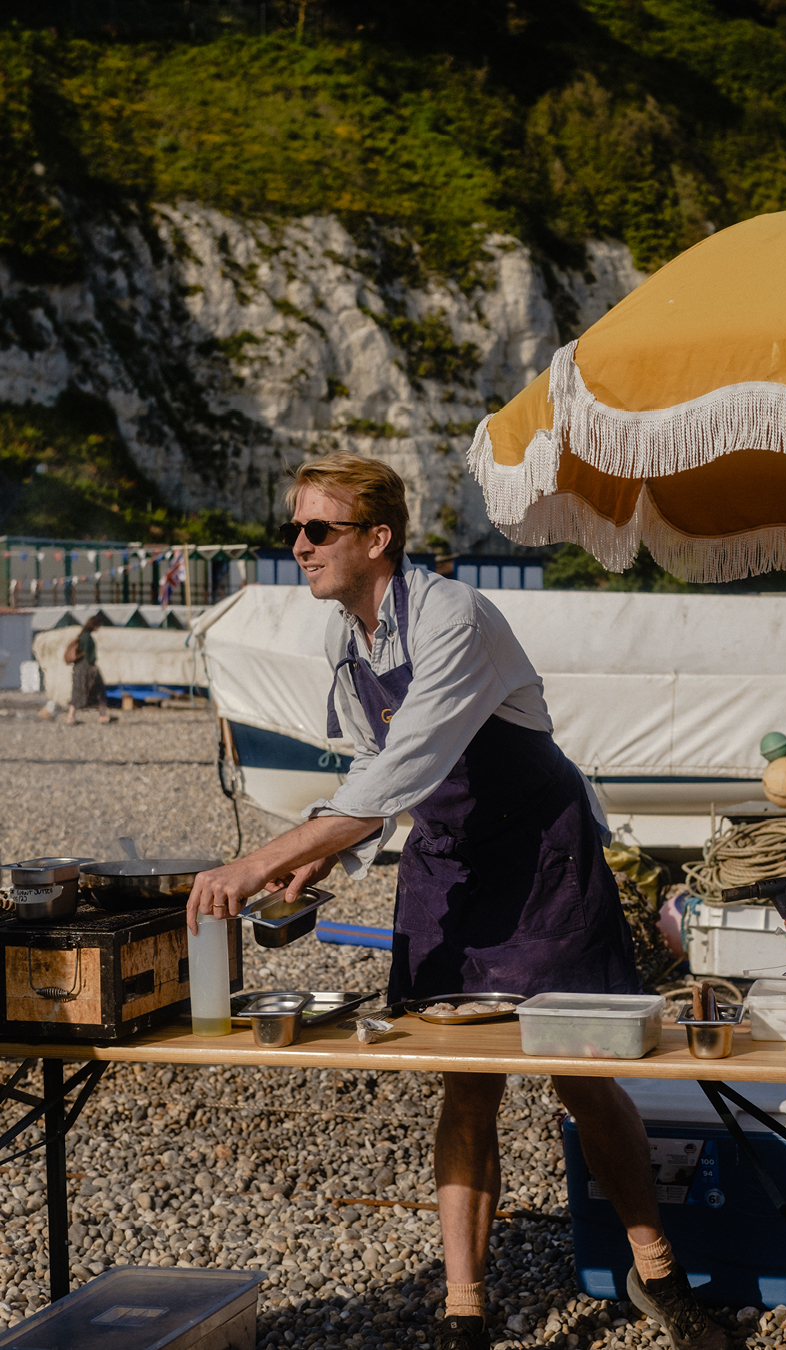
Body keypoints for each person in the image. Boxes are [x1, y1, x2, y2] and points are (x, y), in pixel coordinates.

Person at [186, 453, 728, 1350]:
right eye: (294, 528)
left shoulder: (454, 616)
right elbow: (376, 784)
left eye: (318, 529)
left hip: (542, 859)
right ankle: (465, 1312)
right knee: (466, 1085)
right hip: (448, 866)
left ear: (377, 537)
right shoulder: (342, 642)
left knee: (583, 1075)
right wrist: (321, 862)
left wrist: (264, 854)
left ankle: (658, 1273)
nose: (299, 545)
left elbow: (409, 762)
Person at [65, 615, 110, 725]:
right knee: (98, 690)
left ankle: (71, 716)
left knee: (78, 691)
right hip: (87, 669)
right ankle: (102, 715)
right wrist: (93, 664)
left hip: (79, 668)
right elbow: (90, 656)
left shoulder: (82, 636)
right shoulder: (87, 638)